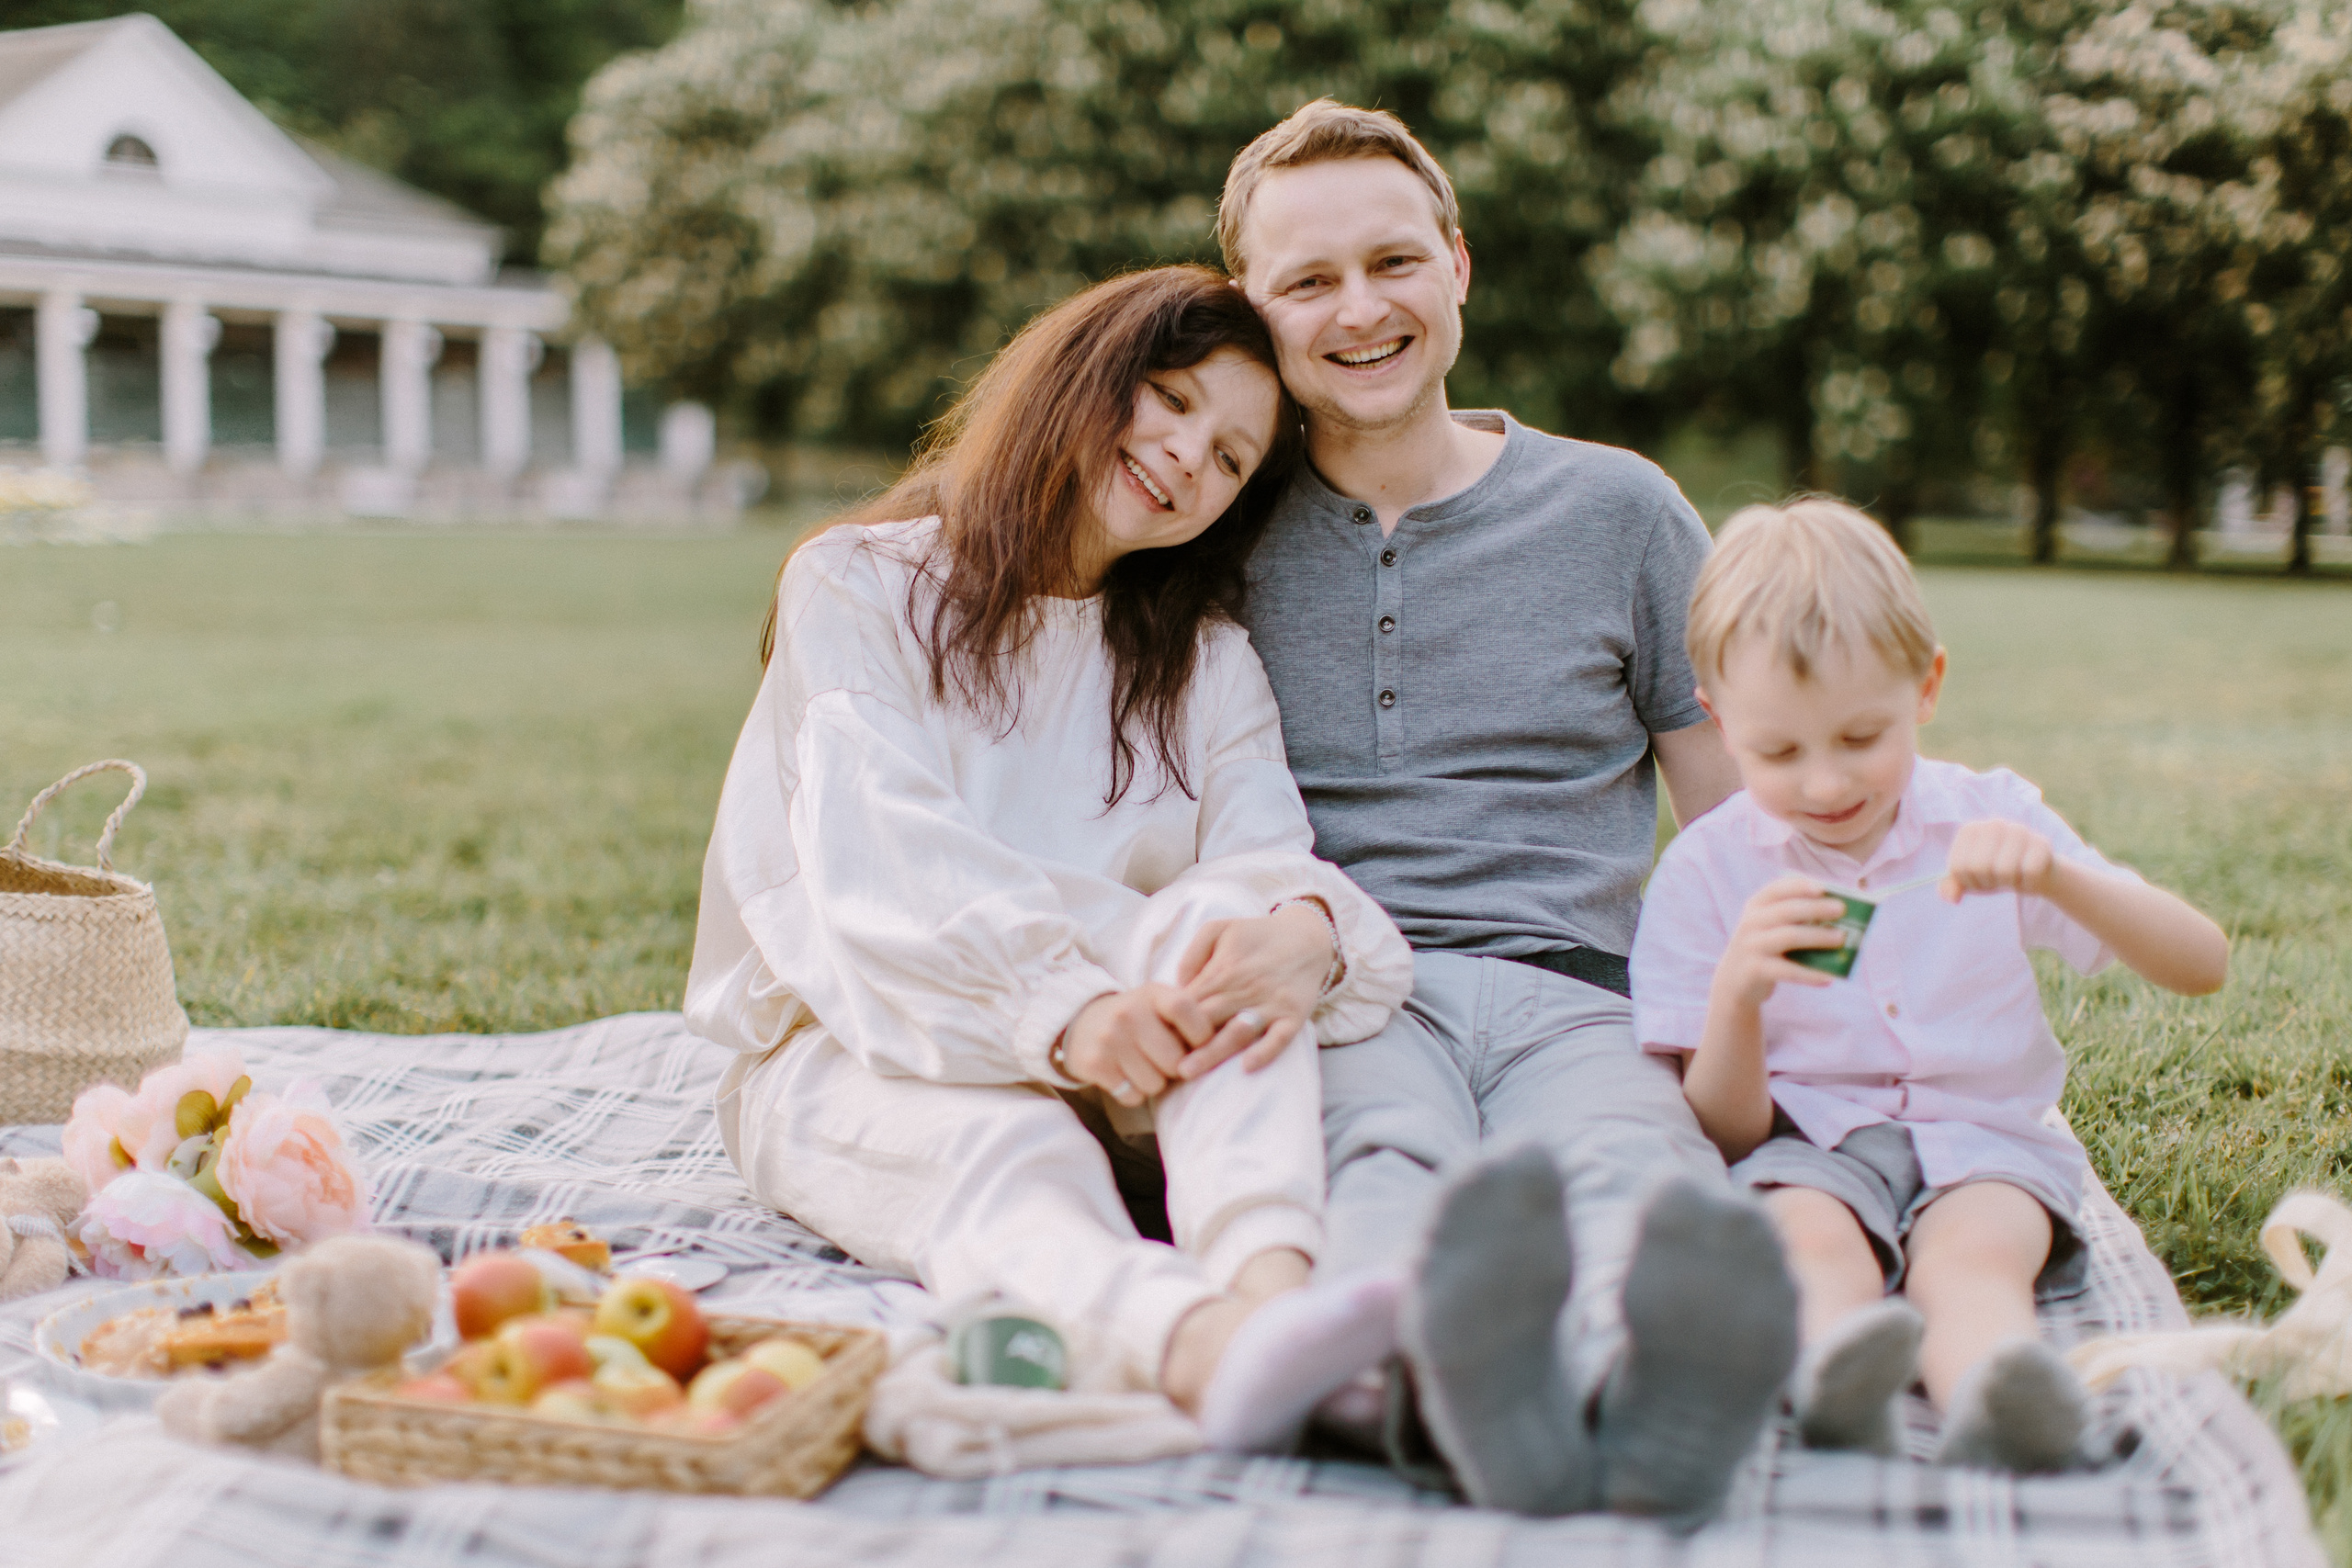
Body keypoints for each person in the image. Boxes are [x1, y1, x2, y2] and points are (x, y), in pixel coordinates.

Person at [684, 265, 1417, 1442]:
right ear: (1088, 373)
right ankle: (1216, 1350)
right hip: (858, 1046)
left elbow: (1266, 854)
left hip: (1127, 1051)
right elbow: (888, 868)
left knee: (1230, 936)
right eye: (1171, 399)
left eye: (1230, 458)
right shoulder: (862, 586)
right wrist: (1064, 1014)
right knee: (1010, 1144)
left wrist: (1301, 937)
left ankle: (1278, 1290)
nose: (1187, 456)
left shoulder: (1204, 662)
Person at [1213, 99, 1798, 1521]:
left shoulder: (1623, 510)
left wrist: (1795, 1016)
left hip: (1583, 986)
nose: (1361, 308)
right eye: (1308, 281)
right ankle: (1432, 1378)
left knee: (1625, 1159)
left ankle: (1623, 1389)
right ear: (1254, 311)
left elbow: (1737, 819)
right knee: (1379, 1157)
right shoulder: (1219, 525)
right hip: (1351, 986)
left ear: (1458, 266)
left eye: (1394, 261)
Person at [1631, 499, 2230, 1472]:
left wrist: (2057, 876)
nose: (1825, 784)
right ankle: (1834, 1372)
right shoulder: (1707, 874)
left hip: (1983, 1141)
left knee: (1974, 1260)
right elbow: (1726, 1133)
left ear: (1926, 686)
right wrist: (1737, 994)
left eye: (1860, 737)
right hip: (1811, 1141)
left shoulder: (1988, 821)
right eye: (1778, 752)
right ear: (1716, 718)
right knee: (1808, 1240)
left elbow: (2201, 964)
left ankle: (1994, 1392)